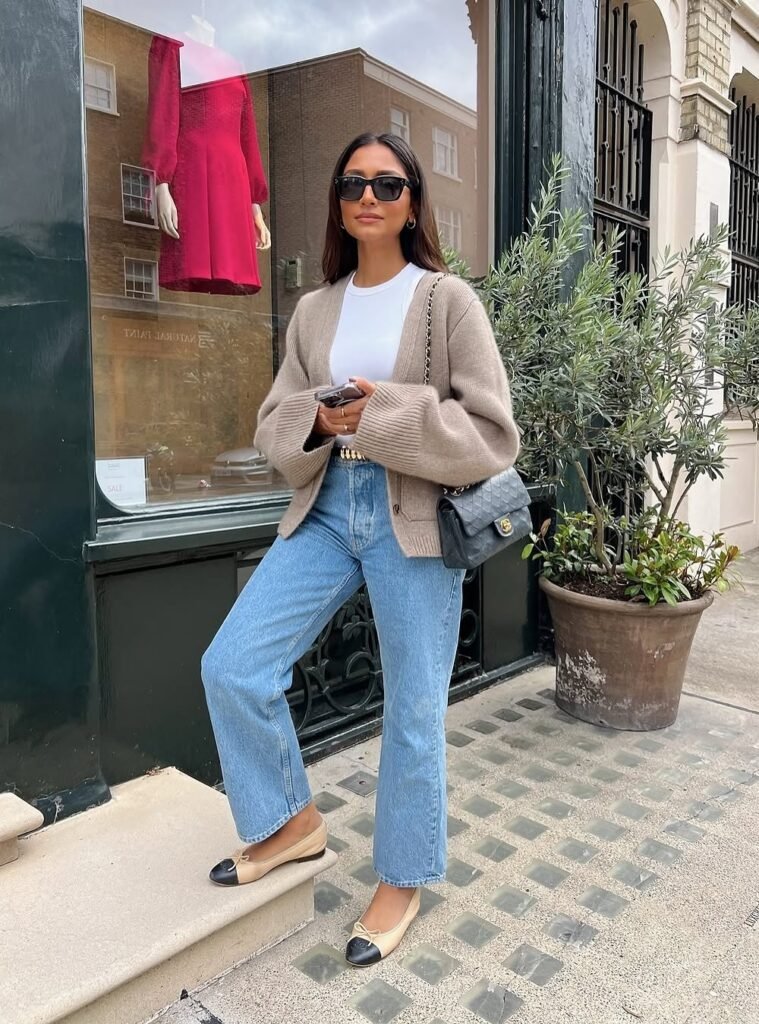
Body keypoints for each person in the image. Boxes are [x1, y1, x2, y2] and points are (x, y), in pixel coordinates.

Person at [201, 131, 520, 966]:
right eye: (353, 185)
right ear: (338, 203)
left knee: (412, 708)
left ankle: (402, 876)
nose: (368, 198)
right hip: (327, 505)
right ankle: (292, 823)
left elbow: (491, 432)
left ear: (413, 200)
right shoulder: (315, 309)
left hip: (410, 511)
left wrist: (377, 415)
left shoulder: (446, 300)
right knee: (233, 664)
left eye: (387, 184)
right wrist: (319, 418)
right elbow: (275, 423)